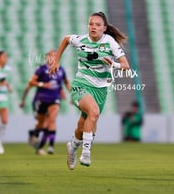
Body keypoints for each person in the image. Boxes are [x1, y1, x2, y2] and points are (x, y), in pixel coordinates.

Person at [49, 11, 130, 169]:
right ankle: (86, 154)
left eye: (97, 25)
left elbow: (126, 66)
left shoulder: (110, 42)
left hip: (100, 89)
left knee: (83, 125)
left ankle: (72, 147)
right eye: (91, 24)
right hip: (81, 84)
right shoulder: (80, 39)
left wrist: (114, 65)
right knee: (94, 112)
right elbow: (66, 39)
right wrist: (56, 61)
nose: (93, 27)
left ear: (104, 28)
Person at [20, 50, 71, 155]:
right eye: (51, 56)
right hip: (41, 99)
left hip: (55, 99)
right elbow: (31, 82)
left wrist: (71, 95)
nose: (53, 57)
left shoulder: (61, 69)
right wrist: (43, 84)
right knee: (41, 124)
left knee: (51, 121)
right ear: (47, 57)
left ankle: (50, 146)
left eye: (56, 56)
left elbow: (65, 82)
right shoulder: (41, 69)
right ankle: (34, 134)